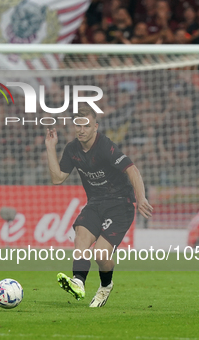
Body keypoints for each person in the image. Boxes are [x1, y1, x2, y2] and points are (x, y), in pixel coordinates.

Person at [45, 107, 153, 308]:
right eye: (78, 125)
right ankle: (78, 281)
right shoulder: (71, 149)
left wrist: (141, 198)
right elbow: (57, 178)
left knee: (101, 255)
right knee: (81, 237)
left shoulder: (105, 146)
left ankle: (105, 286)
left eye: (86, 125)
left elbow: (132, 170)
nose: (82, 129)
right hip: (95, 203)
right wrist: (50, 147)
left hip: (121, 203)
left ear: (95, 127)